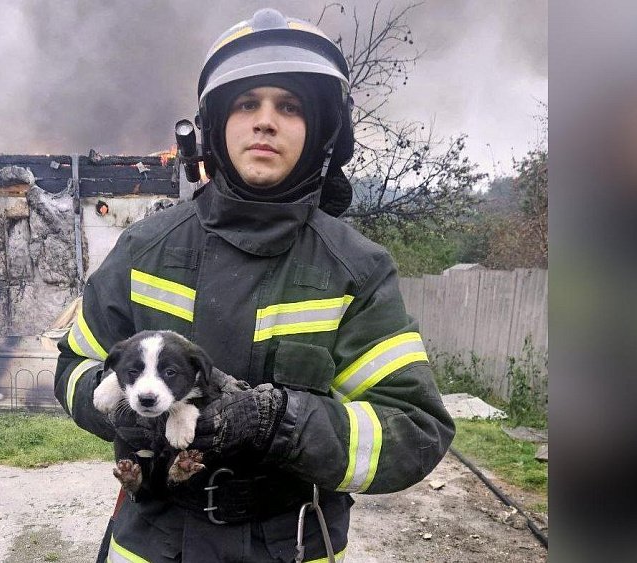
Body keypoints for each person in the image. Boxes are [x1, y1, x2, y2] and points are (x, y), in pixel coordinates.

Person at [54, 8, 454, 562]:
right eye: (248, 104)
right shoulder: (143, 250)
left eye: (288, 107)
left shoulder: (354, 268)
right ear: (214, 127)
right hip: (155, 539)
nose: (266, 121)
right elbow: (75, 366)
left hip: (289, 543)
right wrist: (122, 413)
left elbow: (413, 429)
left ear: (322, 134)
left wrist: (279, 423)